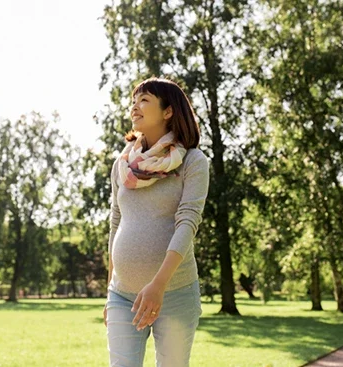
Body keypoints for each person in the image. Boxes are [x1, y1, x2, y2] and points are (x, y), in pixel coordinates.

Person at [104, 77, 210, 367]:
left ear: (168, 111)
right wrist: (110, 287)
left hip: (175, 293)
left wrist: (158, 285)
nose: (135, 107)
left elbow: (188, 222)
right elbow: (116, 222)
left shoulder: (193, 162)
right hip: (122, 295)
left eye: (144, 100)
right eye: (133, 101)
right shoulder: (123, 165)